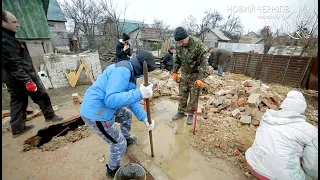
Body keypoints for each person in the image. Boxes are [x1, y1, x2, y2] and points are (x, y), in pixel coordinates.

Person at [80, 51, 156, 178]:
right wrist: (139, 93)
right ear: (141, 69)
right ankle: (112, 169)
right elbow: (110, 100)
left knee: (126, 115)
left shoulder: (129, 73)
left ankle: (124, 138)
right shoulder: (123, 71)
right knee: (118, 143)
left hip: (104, 107)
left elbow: (132, 101)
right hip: (97, 114)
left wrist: (144, 118)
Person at [2, 10, 63, 138]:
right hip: (22, 75)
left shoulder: (8, 37)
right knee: (41, 95)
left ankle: (18, 128)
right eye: (14, 22)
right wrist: (27, 81)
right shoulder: (5, 41)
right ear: (3, 22)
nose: (17, 25)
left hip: (12, 78)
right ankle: (50, 116)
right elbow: (13, 64)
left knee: (18, 101)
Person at [245, 91, 318, 180]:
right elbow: (312, 168)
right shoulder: (310, 131)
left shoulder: (267, 117)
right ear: (302, 110)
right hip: (275, 177)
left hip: (251, 163)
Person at [171, 27, 208, 125]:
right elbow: (177, 60)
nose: (179, 44)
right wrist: (175, 72)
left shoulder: (198, 45)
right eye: (178, 42)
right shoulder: (179, 46)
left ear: (187, 37)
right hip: (184, 74)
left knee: (193, 96)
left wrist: (201, 78)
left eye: (181, 41)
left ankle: (190, 114)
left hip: (195, 75)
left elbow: (204, 63)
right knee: (182, 94)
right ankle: (181, 112)